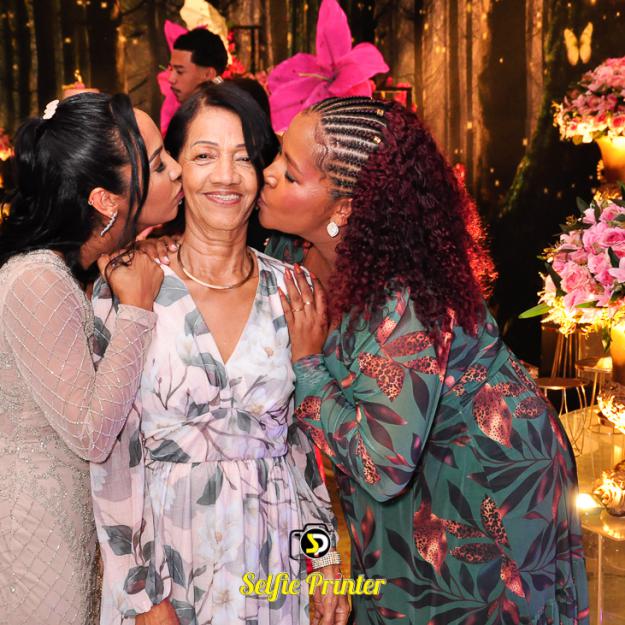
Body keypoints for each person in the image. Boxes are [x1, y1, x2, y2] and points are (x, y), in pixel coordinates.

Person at [259, 96, 590, 625]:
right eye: (279, 153)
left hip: (486, 484)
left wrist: (308, 364)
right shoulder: (290, 251)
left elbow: (382, 467)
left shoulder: (403, 300)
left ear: (344, 209)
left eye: (291, 173)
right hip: (410, 482)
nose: (268, 173)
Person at [91, 83, 349, 625]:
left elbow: (299, 450)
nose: (226, 176)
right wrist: (143, 597)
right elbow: (111, 456)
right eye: (205, 156)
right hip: (164, 563)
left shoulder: (293, 290)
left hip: (270, 561)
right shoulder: (130, 284)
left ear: (261, 172)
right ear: (178, 171)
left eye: (243, 157)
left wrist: (324, 557)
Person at [0, 92, 182, 625]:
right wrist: (137, 310)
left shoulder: (64, 269)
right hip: (35, 535)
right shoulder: (37, 279)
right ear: (105, 200)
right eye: (157, 164)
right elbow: (91, 433)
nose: (175, 170)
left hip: (62, 519)